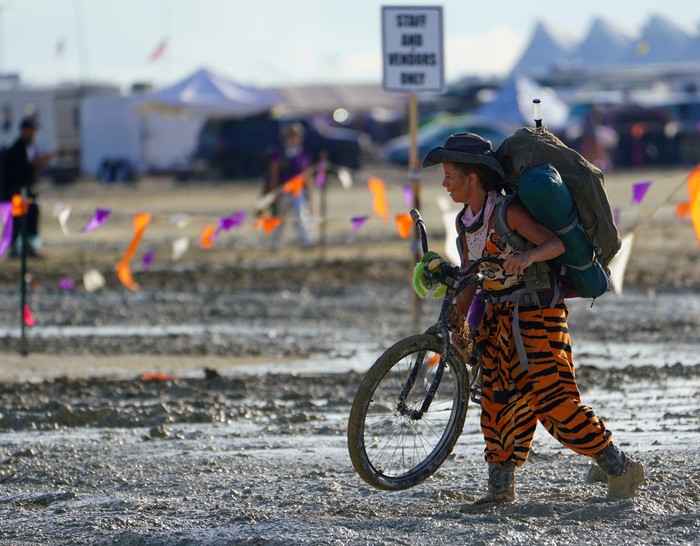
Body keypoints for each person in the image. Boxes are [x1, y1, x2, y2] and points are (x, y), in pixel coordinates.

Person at [421, 132, 645, 505]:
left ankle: (620, 466)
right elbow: (470, 283)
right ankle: (499, 490)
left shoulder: (508, 212)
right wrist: (458, 330)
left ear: (472, 177)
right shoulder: (464, 225)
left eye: (450, 176)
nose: (444, 184)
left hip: (538, 315)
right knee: (496, 402)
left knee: (554, 400)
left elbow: (553, 244)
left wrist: (526, 258)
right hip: (496, 320)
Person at [1, 117, 53, 257]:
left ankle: (26, 247)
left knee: (31, 218)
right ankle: (14, 249)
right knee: (16, 222)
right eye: (32, 130)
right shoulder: (17, 148)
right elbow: (21, 171)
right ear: (25, 130)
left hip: (25, 191)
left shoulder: (29, 146)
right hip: (15, 193)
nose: (34, 133)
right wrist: (39, 163)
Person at [265, 122, 314, 249]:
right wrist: (273, 191)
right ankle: (274, 243)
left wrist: (309, 192)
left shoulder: (302, 153)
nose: (294, 138)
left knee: (300, 216)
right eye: (291, 136)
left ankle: (305, 242)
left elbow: (306, 174)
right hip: (283, 191)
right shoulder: (279, 152)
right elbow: (274, 173)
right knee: (279, 218)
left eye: (296, 136)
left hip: (298, 191)